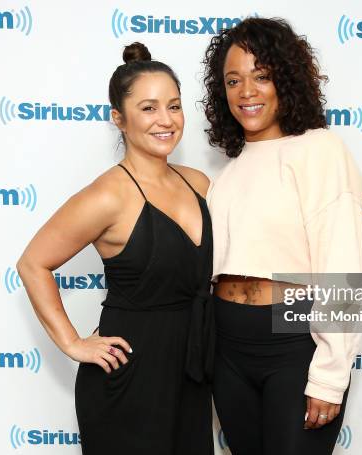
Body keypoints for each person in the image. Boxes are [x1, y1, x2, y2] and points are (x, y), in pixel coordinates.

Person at [16, 42, 215, 455]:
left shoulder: (199, 183)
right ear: (118, 119)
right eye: (148, 108)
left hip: (191, 374)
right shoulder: (108, 196)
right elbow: (33, 263)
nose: (166, 120)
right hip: (127, 379)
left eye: (174, 106)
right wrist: (72, 343)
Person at [201, 18, 362, 454]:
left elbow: (342, 268)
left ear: (286, 79)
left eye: (261, 76)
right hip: (228, 345)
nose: (246, 91)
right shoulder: (230, 171)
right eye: (233, 80)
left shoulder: (320, 150)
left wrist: (330, 377)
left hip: (292, 344)